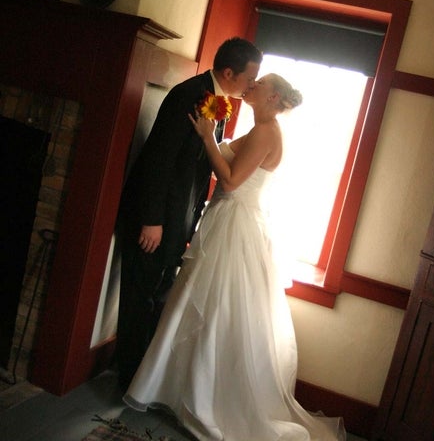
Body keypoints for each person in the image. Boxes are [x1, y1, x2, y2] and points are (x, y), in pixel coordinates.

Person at [123, 73, 346, 441]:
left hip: (235, 225)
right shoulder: (260, 126)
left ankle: (203, 399)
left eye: (260, 84)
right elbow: (226, 156)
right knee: (205, 306)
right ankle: (184, 393)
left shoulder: (266, 131)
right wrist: (211, 130)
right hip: (227, 219)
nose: (252, 86)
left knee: (217, 310)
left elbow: (228, 180)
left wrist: (208, 137)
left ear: (272, 97)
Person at [115, 38, 263, 391]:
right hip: (156, 218)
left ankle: (143, 376)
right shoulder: (188, 95)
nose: (252, 85)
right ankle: (129, 379)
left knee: (156, 296)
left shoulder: (218, 102)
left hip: (179, 219)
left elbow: (197, 169)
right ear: (229, 73)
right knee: (139, 297)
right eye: (250, 78)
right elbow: (159, 159)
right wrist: (152, 219)